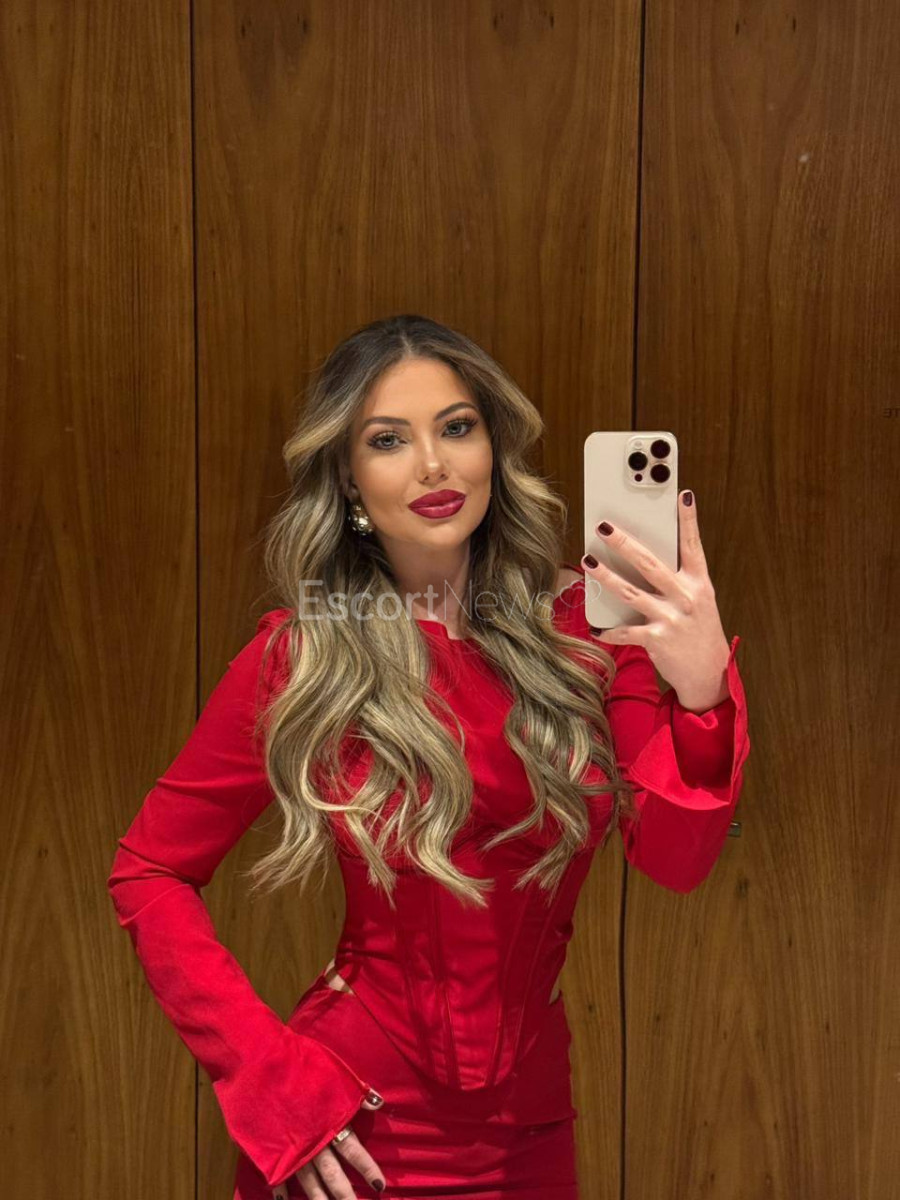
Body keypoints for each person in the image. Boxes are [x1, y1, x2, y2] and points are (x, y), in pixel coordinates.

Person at [107, 314, 750, 1200]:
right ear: (348, 476)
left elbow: (675, 862)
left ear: (494, 445)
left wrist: (702, 689)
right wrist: (267, 1074)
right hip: (350, 1130)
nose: (433, 465)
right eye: (388, 440)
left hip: (530, 1137)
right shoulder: (305, 655)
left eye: (457, 427)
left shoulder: (592, 632)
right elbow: (148, 871)